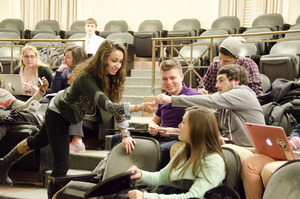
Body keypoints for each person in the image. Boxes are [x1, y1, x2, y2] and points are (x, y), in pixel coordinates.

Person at [0, 40, 156, 197]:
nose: (118, 65)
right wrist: (141, 107)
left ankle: (4, 163)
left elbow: (116, 104)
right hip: (58, 114)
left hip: (67, 116)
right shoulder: (86, 78)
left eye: (121, 61)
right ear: (103, 59)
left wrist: (125, 133)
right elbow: (108, 106)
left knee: (37, 141)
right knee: (61, 168)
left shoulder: (110, 77)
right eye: (114, 60)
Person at [110, 59, 200, 168]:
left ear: (181, 77)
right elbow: (154, 120)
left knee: (161, 149)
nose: (169, 82)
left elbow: (197, 130)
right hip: (160, 137)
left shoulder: (194, 97)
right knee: (116, 139)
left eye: (172, 78)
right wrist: (152, 126)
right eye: (164, 79)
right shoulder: (163, 97)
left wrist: (172, 130)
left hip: (178, 139)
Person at [127, 106, 227, 199]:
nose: (179, 125)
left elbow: (193, 197)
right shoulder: (183, 151)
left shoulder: (213, 162)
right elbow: (162, 177)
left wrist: (146, 197)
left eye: (183, 122)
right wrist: (140, 174)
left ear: (196, 128)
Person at [156, 64, 265, 147]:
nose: (217, 85)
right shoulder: (223, 100)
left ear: (236, 81)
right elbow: (211, 122)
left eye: (221, 81)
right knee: (181, 148)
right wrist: (219, 137)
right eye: (217, 81)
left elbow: (210, 100)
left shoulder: (243, 93)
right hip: (229, 146)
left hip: (249, 148)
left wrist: (172, 99)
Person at [241, 123, 300, 199]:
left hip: (296, 161)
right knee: (249, 162)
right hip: (291, 154)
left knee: (269, 169)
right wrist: (294, 137)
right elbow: (297, 130)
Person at [50, 45, 88, 153]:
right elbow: (54, 89)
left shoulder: (85, 72)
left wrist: (66, 92)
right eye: (64, 56)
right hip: (64, 99)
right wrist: (59, 72)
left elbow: (83, 90)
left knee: (74, 102)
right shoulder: (66, 71)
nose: (64, 59)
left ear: (76, 58)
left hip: (82, 102)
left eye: (68, 57)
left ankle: (77, 141)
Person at [197, 36, 262, 96]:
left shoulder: (248, 64)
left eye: (226, 61)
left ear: (237, 58)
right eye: (220, 59)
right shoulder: (214, 65)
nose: (221, 63)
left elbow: (256, 91)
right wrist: (201, 90)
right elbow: (203, 85)